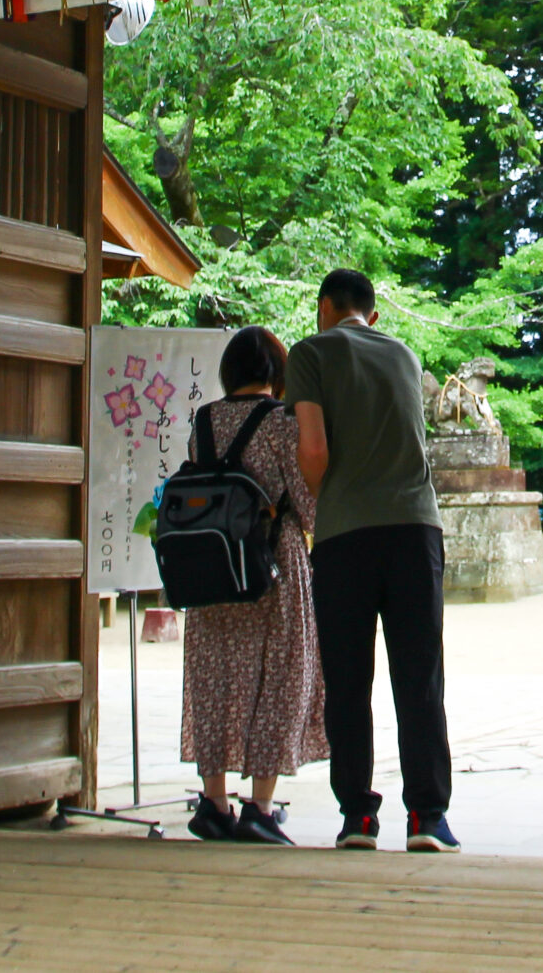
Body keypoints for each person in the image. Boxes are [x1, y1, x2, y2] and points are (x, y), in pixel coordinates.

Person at [287, 268, 459, 853]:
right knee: (419, 678)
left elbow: (313, 448)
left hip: (345, 535)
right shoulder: (406, 355)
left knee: (348, 680)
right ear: (374, 316)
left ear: (325, 306)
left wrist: (326, 501)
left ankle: (358, 817)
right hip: (416, 528)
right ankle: (427, 819)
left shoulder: (310, 352)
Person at [180, 326, 325, 845]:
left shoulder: (204, 421)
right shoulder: (283, 421)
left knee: (215, 682)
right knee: (281, 680)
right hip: (271, 567)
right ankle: (259, 808)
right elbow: (306, 506)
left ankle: (213, 802)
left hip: (210, 571)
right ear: (276, 373)